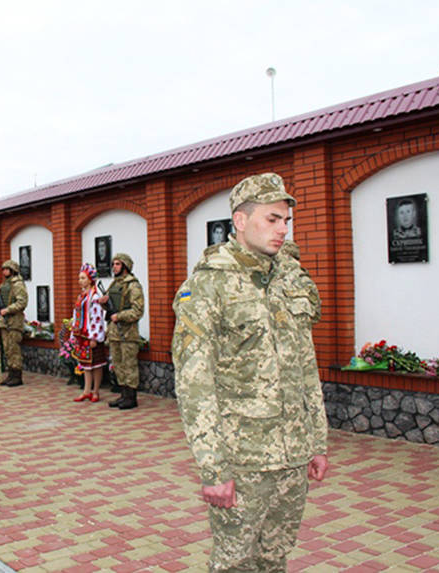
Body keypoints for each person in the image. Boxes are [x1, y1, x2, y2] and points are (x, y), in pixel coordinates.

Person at [171, 172, 328, 572]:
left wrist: (317, 442)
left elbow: (305, 362)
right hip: (243, 461)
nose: (283, 229)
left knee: (275, 557)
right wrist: (213, 468)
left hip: (293, 454)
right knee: (234, 563)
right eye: (272, 219)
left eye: (286, 220)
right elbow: (194, 383)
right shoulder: (208, 286)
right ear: (240, 221)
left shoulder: (287, 279)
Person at [100, 252, 145, 410]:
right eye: (113, 264)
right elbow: (111, 306)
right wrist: (104, 303)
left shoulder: (133, 285)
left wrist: (119, 316)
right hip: (115, 333)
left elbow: (138, 311)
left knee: (129, 365)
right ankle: (123, 394)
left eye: (118, 264)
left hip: (127, 333)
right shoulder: (114, 284)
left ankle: (131, 397)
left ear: (125, 266)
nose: (114, 267)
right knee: (118, 364)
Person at [70, 263, 107, 402]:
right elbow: (76, 314)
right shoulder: (81, 296)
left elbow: (97, 317)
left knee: (96, 364)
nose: (80, 281)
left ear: (90, 279)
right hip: (82, 334)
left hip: (91, 335)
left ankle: (96, 391)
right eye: (79, 278)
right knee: (85, 364)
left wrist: (95, 337)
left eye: (83, 278)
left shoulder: (95, 295)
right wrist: (74, 332)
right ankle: (86, 390)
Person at [0, 259, 28, 387]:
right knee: (7, 348)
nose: (4, 271)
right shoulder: (5, 284)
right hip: (5, 321)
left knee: (14, 348)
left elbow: (22, 302)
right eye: (3, 269)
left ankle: (17, 375)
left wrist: (8, 309)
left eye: (6, 269)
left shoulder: (18, 284)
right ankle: (10, 373)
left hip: (14, 321)